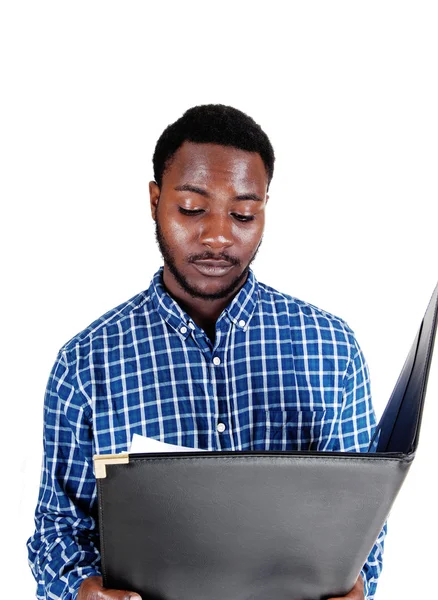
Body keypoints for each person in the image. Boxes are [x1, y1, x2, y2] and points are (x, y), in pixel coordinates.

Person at [27, 104, 385, 600]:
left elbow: (365, 520)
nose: (218, 235)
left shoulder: (332, 347)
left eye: (242, 213)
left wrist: (360, 583)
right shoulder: (87, 364)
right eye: (193, 208)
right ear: (155, 201)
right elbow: (57, 531)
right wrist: (82, 590)